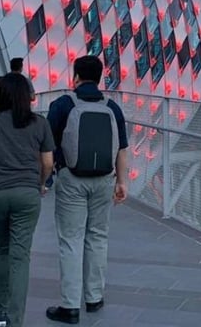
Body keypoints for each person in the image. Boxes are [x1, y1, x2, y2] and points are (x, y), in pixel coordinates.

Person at [0, 73, 54, 327]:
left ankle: (0, 312)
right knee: (20, 256)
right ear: (28, 97)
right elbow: (47, 162)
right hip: (27, 193)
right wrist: (41, 182)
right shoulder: (40, 123)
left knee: (2, 249)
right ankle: (16, 320)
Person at [45, 56, 129, 324]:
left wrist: (46, 177)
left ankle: (70, 306)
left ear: (76, 76)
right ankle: (94, 297)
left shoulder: (63, 105)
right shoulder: (113, 107)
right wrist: (121, 182)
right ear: (101, 77)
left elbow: (46, 145)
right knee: (98, 236)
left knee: (71, 239)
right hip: (105, 179)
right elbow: (122, 150)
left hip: (71, 179)